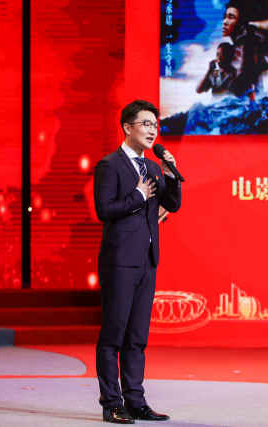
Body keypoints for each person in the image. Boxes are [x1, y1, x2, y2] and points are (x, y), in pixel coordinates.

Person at [94, 100, 182, 424]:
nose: (152, 130)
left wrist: (170, 174)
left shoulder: (154, 168)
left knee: (137, 338)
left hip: (147, 261)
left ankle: (136, 401)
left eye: (155, 125)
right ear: (127, 127)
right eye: (146, 124)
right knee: (113, 335)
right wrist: (138, 195)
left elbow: (172, 204)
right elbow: (104, 209)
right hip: (119, 262)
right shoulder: (109, 165)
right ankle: (112, 404)